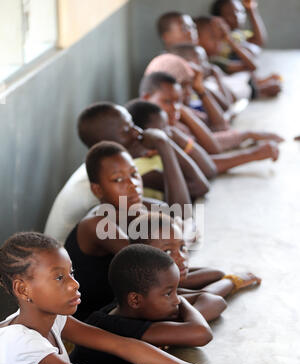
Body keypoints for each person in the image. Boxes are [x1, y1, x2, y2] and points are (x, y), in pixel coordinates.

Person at [0, 232, 263, 364]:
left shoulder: (53, 318)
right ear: (23, 289)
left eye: (71, 273)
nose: (74, 284)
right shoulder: (22, 344)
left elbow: (124, 345)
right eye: (60, 277)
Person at [64, 141, 197, 320]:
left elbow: (183, 214)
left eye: (134, 174)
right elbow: (156, 265)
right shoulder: (96, 225)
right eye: (118, 179)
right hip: (98, 316)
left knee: (203, 288)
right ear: (97, 189)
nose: (132, 185)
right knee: (200, 297)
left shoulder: (142, 207)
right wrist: (182, 238)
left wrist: (165, 146)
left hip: (139, 299)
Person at [44, 102, 208, 244]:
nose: (137, 133)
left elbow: (172, 213)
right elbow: (188, 202)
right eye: (127, 130)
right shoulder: (103, 179)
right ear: (106, 142)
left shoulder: (117, 172)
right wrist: (163, 144)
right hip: (68, 271)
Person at [139, 70, 281, 175]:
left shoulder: (174, 120)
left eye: (178, 101)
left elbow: (218, 128)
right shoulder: (152, 129)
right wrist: (254, 154)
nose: (175, 107)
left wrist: (248, 134)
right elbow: (204, 164)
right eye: (167, 101)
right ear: (146, 98)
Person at [129, 212, 261, 322]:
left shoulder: (156, 281)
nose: (181, 257)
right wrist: (233, 280)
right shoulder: (151, 294)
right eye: (168, 252)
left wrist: (178, 273)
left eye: (182, 247)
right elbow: (208, 297)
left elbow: (216, 274)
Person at [194, 15, 282, 98]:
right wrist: (260, 89)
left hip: (235, 90)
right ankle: (258, 90)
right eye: (213, 38)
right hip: (227, 97)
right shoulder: (203, 65)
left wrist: (230, 40)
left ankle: (258, 86)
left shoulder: (214, 60)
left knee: (244, 75)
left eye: (220, 39)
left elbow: (251, 66)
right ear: (196, 39)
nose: (219, 44)